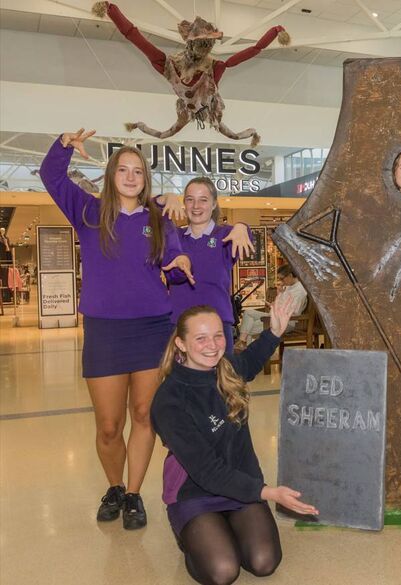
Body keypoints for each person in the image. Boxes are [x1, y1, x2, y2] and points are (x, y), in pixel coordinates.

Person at [39, 128, 194, 530]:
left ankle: (135, 494)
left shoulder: (158, 219)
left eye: (137, 171)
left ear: (145, 180)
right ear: (111, 176)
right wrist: (63, 147)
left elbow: (174, 260)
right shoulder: (88, 211)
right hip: (105, 332)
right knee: (108, 426)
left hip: (151, 328)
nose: (129, 177)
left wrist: (178, 266)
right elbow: (51, 178)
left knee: (143, 414)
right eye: (122, 170)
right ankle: (115, 486)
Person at [151, 299, 317, 585]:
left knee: (264, 562)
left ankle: (224, 527)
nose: (212, 345)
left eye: (218, 335)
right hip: (196, 491)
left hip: (241, 482)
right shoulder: (169, 400)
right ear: (180, 344)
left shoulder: (225, 368)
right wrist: (269, 493)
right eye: (200, 338)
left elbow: (251, 360)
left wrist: (275, 332)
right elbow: (207, 471)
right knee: (223, 571)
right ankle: (190, 537)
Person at [165, 177, 254, 353]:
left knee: (220, 379)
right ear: (184, 203)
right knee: (181, 378)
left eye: (203, 200)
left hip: (218, 326)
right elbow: (171, 276)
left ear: (214, 204)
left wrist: (243, 226)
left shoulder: (226, 235)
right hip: (180, 326)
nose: (196, 206)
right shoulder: (174, 237)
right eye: (190, 199)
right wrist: (165, 197)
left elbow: (245, 239)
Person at [237, 264, 307, 347]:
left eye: (281, 278)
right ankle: (242, 344)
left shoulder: (299, 291)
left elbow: (293, 312)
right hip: (273, 316)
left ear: (290, 276)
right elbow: (280, 303)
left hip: (284, 322)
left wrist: (276, 306)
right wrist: (279, 296)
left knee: (246, 328)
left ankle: (242, 347)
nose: (280, 281)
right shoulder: (288, 287)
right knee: (248, 312)